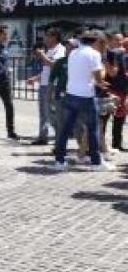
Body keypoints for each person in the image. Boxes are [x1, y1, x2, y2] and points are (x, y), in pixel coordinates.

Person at [51, 30, 112, 171]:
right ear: (95, 41)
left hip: (71, 94)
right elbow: (98, 78)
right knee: (93, 129)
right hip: (86, 96)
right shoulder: (94, 54)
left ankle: (59, 161)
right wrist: (102, 83)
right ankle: (96, 162)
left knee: (65, 130)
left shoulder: (73, 53)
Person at [26, 29, 65, 145]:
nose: (45, 39)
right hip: (44, 84)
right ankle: (42, 136)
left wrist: (42, 55)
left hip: (52, 86)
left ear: (54, 37)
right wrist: (35, 78)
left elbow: (54, 65)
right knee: (43, 113)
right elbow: (46, 70)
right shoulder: (50, 50)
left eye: (47, 36)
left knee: (53, 114)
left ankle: (59, 140)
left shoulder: (60, 49)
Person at [106, 34, 128, 151]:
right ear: (111, 41)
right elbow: (109, 72)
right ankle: (101, 145)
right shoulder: (109, 54)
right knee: (104, 117)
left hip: (123, 89)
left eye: (121, 39)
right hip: (111, 89)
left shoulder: (124, 53)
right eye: (116, 39)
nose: (120, 42)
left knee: (120, 118)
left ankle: (117, 143)